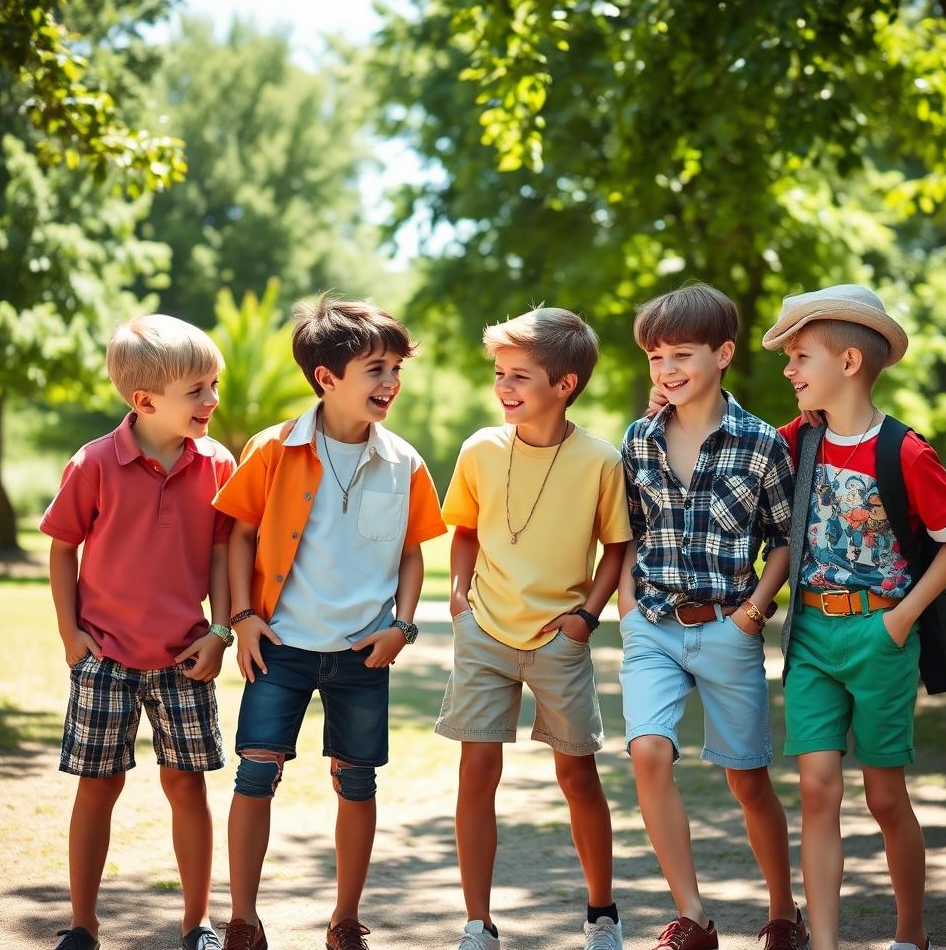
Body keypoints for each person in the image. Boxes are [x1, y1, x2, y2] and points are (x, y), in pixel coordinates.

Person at [213, 295, 446, 950]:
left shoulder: (405, 462)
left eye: (396, 369)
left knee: (357, 781)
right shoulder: (272, 449)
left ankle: (345, 920)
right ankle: (244, 920)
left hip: (362, 653)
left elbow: (412, 553)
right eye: (376, 369)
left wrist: (402, 626)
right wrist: (242, 617)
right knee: (255, 773)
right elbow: (239, 535)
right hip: (279, 646)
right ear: (326, 377)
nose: (391, 382)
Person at [764, 284, 946, 950]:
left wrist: (903, 617)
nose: (789, 370)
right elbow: (735, 444)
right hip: (811, 636)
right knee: (817, 789)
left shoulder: (905, 451)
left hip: (881, 636)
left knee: (885, 799)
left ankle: (911, 934)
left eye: (800, 356)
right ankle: (826, 943)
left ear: (849, 362)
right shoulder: (797, 440)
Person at [436, 307, 632, 950]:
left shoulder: (600, 460)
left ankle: (601, 915)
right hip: (485, 633)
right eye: (500, 373)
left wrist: (585, 618)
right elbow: (465, 530)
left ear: (564, 384)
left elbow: (616, 548)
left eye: (519, 375)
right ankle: (478, 923)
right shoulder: (480, 449)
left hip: (559, 638)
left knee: (578, 776)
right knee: (476, 773)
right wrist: (459, 595)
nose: (504, 387)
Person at [619, 283, 807, 950]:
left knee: (747, 781)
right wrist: (626, 606)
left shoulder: (762, 444)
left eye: (682, 354)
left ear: (723, 354)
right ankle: (694, 917)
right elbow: (630, 530)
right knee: (647, 751)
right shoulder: (639, 439)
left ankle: (783, 913)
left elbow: (783, 540)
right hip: (653, 626)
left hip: (729, 627)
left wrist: (753, 613)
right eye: (656, 357)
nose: (667, 369)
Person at [41, 314, 235, 950]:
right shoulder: (94, 462)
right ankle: (82, 925)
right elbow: (63, 548)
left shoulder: (218, 464)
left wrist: (220, 631)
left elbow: (222, 553)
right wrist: (70, 634)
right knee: (98, 787)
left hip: (186, 657)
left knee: (187, 786)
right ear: (145, 401)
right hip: (105, 658)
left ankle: (197, 923)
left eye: (213, 384)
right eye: (197, 390)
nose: (212, 399)